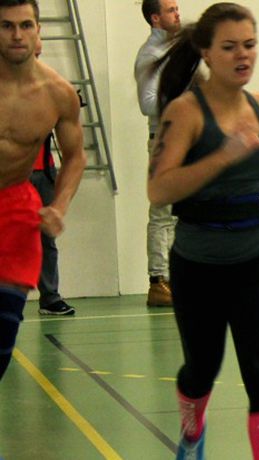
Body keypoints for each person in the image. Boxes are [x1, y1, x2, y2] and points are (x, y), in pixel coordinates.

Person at [147, 4, 259, 458]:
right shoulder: (185, 112)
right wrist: (223, 156)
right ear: (207, 53)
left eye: (249, 45)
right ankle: (192, 428)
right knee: (202, 368)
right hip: (200, 263)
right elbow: (159, 188)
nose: (243, 55)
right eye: (230, 47)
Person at [0, 0, 86, 381]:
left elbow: (76, 156)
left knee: (2, 340)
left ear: (38, 30)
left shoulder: (57, 93)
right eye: (6, 26)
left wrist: (60, 206)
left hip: (15, 210)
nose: (16, 35)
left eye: (25, 25)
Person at [134, 0, 181, 307]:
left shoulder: (174, 50)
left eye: (177, 8)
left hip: (182, 137)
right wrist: (185, 98)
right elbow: (146, 103)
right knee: (162, 212)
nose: (177, 14)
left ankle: (175, 277)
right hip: (164, 139)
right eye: (171, 10)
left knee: (178, 214)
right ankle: (158, 280)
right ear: (155, 18)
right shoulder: (150, 55)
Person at [30, 135, 76, 315]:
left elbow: (76, 155)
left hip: (44, 171)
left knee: (47, 238)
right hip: (11, 171)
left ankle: (50, 298)